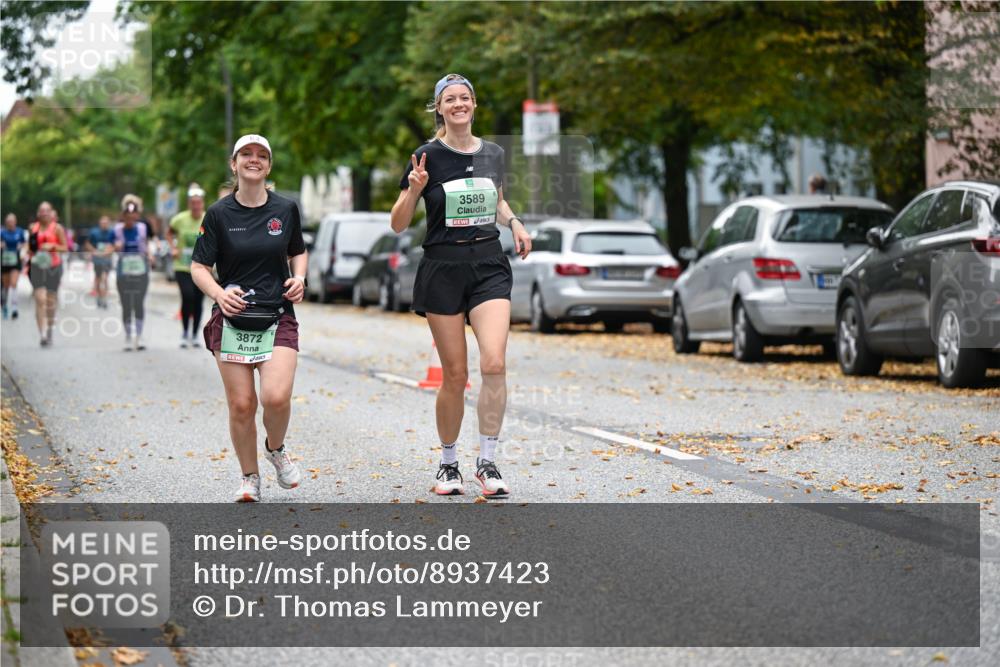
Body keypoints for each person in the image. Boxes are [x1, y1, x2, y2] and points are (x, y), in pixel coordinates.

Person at [390, 73, 532, 497]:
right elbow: (398, 223)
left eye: (464, 97)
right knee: (455, 374)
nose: (458, 104)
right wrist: (413, 191)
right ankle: (448, 464)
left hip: (488, 263)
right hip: (443, 268)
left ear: (474, 104)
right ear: (438, 108)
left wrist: (515, 222)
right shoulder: (425, 156)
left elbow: (498, 200)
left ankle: (487, 462)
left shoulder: (493, 153)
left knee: (494, 364)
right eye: (449, 99)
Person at [190, 134, 307, 503]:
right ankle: (249, 477)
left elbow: (298, 252)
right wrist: (219, 293)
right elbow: (198, 267)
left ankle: (275, 448)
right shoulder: (218, 214)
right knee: (242, 404)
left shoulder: (285, 209)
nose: (253, 160)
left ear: (268, 166)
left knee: (275, 397)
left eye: (261, 155)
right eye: (246, 154)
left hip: (276, 315)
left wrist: (299, 277)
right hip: (232, 319)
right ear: (234, 163)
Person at [168, 184, 207, 347]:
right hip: (183, 266)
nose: (196, 205)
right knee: (187, 296)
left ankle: (195, 334)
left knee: (198, 300)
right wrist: (173, 247)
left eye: (198, 202)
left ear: (202, 203)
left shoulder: (208, 217)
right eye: (193, 203)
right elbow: (169, 232)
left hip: (203, 267)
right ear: (189, 204)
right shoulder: (180, 219)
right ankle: (185, 332)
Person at [113, 195, 154, 351]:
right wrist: (115, 246)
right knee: (126, 303)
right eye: (127, 214)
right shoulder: (117, 229)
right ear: (123, 215)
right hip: (123, 270)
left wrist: (150, 256)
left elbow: (148, 243)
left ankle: (139, 335)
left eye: (134, 214)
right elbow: (111, 245)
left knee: (138, 302)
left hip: (140, 269)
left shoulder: (143, 227)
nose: (131, 217)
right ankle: (128, 336)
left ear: (137, 214)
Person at [26, 202, 68, 346]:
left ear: (51, 213)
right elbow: (30, 247)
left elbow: (65, 248)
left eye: (47, 210)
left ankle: (49, 328)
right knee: (40, 299)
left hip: (53, 267)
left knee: (50, 301)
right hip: (37, 266)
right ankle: (42, 334)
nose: (44, 213)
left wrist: (53, 246)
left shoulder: (57, 228)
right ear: (38, 213)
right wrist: (27, 252)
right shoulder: (33, 228)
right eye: (41, 210)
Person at [85, 215, 115, 309]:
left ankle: (104, 298)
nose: (104, 224)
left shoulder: (112, 232)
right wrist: (94, 251)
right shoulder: (94, 232)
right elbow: (87, 243)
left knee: (105, 277)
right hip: (97, 258)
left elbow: (115, 245)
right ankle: (99, 295)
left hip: (107, 258)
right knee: (98, 278)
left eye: (106, 223)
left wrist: (108, 251)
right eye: (103, 222)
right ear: (99, 223)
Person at [1, 213, 27, 319]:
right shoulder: (2, 232)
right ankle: (4, 305)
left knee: (14, 283)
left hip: (15, 260)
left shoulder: (20, 232)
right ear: (6, 222)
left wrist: (22, 247)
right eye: (8, 222)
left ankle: (15, 308)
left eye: (12, 221)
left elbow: (25, 244)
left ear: (15, 222)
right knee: (6, 286)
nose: (10, 223)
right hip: (4, 261)